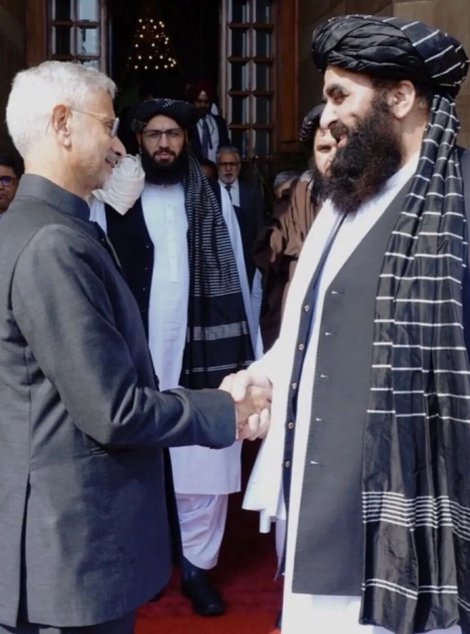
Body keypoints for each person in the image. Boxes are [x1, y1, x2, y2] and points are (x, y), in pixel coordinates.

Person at [229, 14, 470, 634]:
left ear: (400, 97)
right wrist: (261, 380)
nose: (327, 116)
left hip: (429, 527)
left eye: (339, 96)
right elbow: (305, 339)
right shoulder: (342, 204)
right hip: (324, 517)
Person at [0, 60, 269, 634]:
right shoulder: (54, 243)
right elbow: (113, 410)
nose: (120, 146)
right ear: (63, 124)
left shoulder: (29, 228)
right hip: (67, 554)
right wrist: (226, 408)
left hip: (52, 544)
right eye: (108, 126)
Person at [90, 98, 260, 617]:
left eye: (173, 135)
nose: (164, 144)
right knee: (132, 456)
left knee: (202, 458)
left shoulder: (210, 197)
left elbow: (236, 272)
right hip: (134, 348)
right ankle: (143, 565)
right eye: (154, 135)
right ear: (138, 140)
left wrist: (246, 352)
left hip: (202, 348)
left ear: (187, 141)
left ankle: (197, 569)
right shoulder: (111, 195)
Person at [252, 104, 337, 350]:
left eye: (341, 147)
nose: (333, 158)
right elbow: (271, 252)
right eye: (324, 149)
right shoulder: (297, 198)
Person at [216, 145, 265, 289]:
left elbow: (259, 227)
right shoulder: (208, 193)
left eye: (232, 164)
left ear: (239, 167)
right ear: (217, 167)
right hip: (217, 264)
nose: (228, 169)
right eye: (224, 164)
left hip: (246, 262)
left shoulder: (251, 193)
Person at [190, 80, 231, 162]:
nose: (203, 105)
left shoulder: (219, 122)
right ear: (194, 102)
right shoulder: (188, 123)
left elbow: (226, 147)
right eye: (199, 101)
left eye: (206, 102)